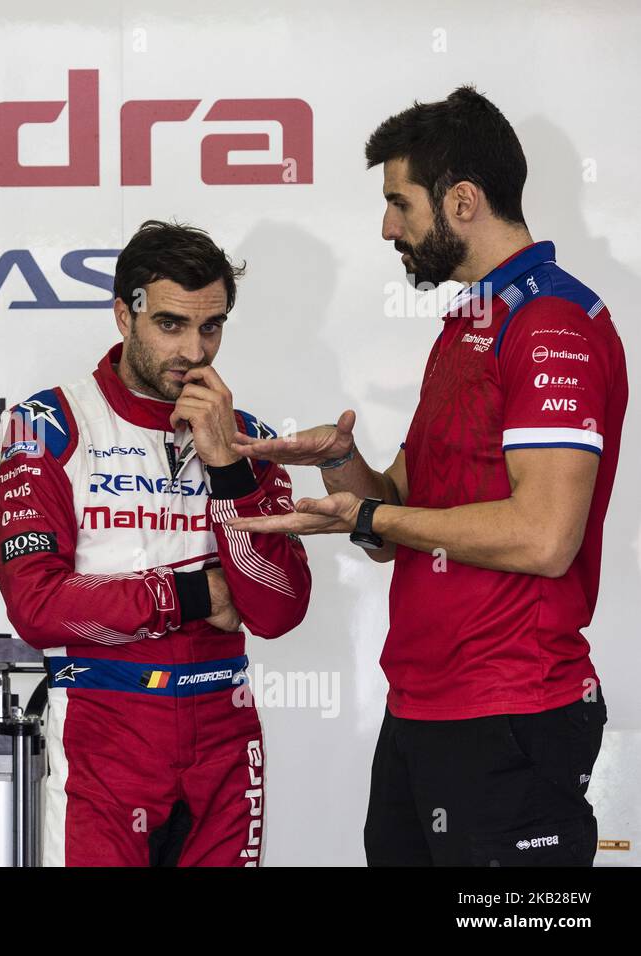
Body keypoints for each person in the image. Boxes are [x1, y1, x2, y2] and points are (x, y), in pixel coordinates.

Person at [227, 87, 626, 866]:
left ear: (464, 201)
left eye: (399, 203)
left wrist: (370, 520)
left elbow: (545, 537)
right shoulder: (469, 325)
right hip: (423, 712)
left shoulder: (552, 324)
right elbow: (398, 514)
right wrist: (342, 469)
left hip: (512, 714)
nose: (387, 227)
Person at [0, 220, 311, 866]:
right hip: (105, 736)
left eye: (211, 327)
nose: (194, 351)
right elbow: (37, 605)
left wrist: (226, 468)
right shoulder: (49, 424)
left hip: (225, 737)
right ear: (123, 315)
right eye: (171, 325)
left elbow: (278, 610)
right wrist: (196, 592)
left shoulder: (250, 438)